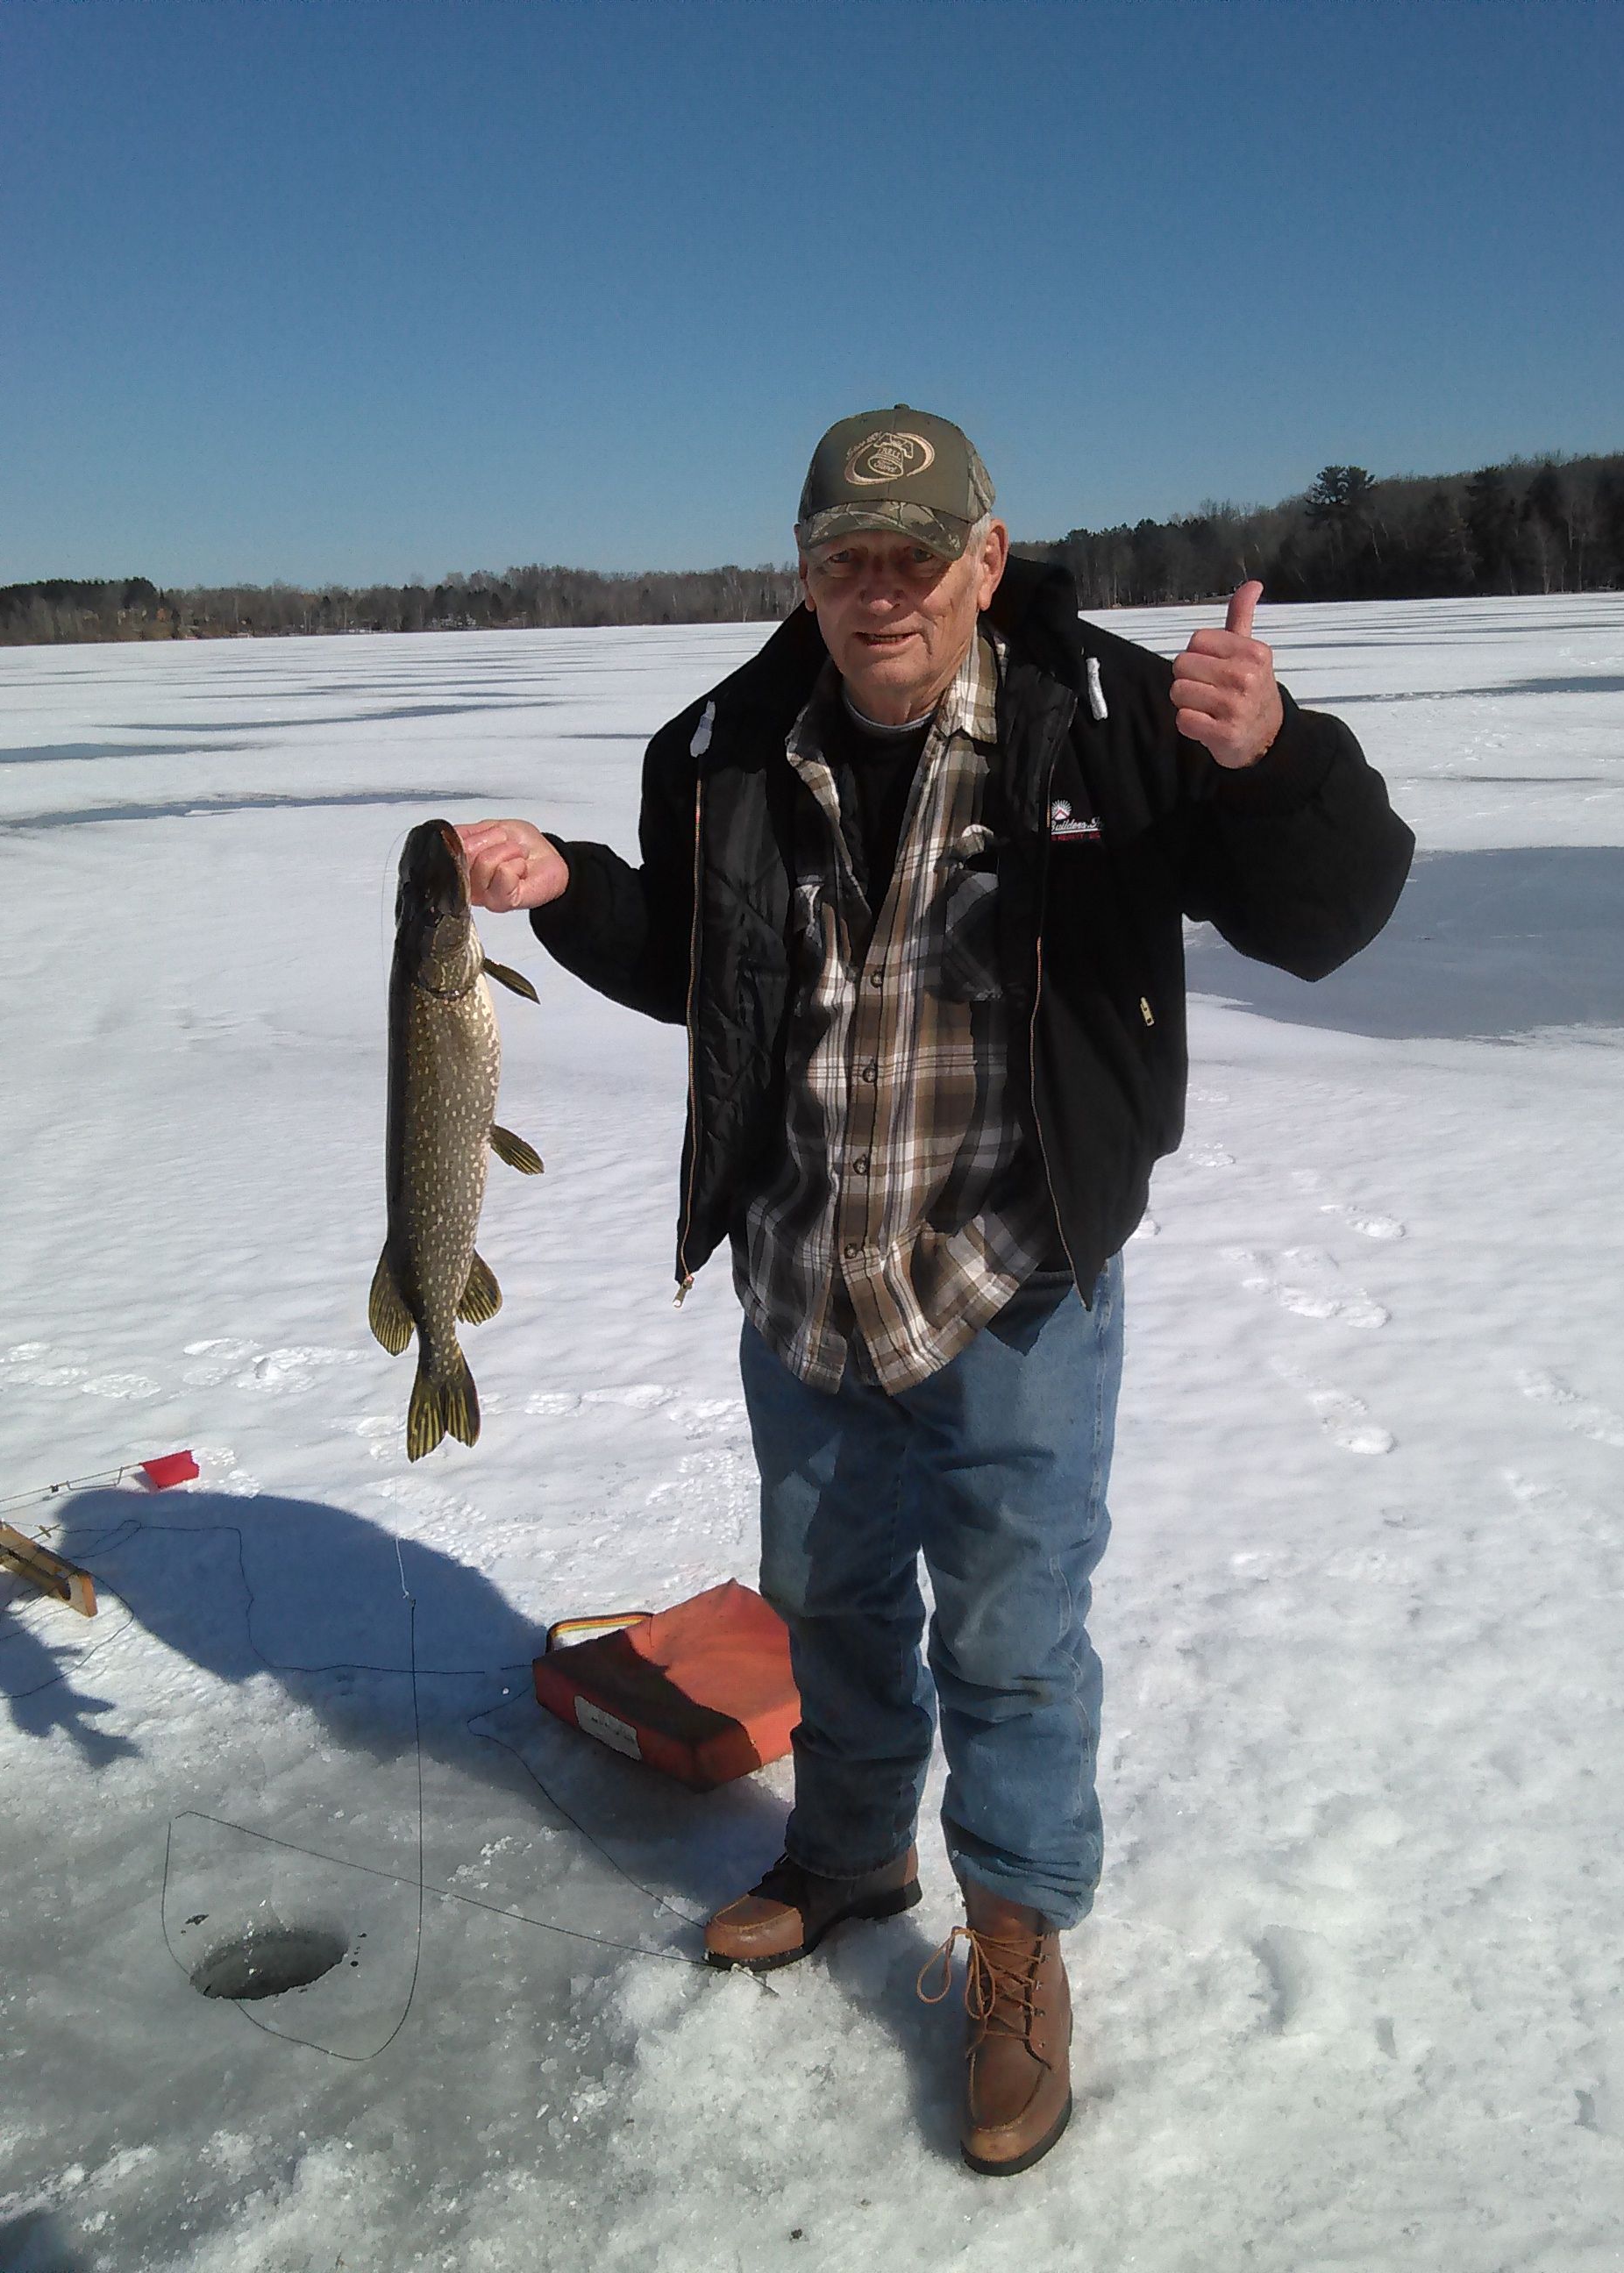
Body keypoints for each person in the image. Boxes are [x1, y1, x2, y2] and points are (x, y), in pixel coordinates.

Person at [459, 405, 1414, 2177]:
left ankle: (1018, 1933)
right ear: (806, 574)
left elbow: (1332, 914)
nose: (882, 590)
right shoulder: (734, 741)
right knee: (826, 1603)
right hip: (807, 1265)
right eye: (847, 558)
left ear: (988, 557)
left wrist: (1278, 757)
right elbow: (701, 964)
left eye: (919, 555)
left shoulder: (1115, 719)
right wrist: (569, 888)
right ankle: (847, 1852)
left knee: (1009, 1635)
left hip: (1014, 1280)